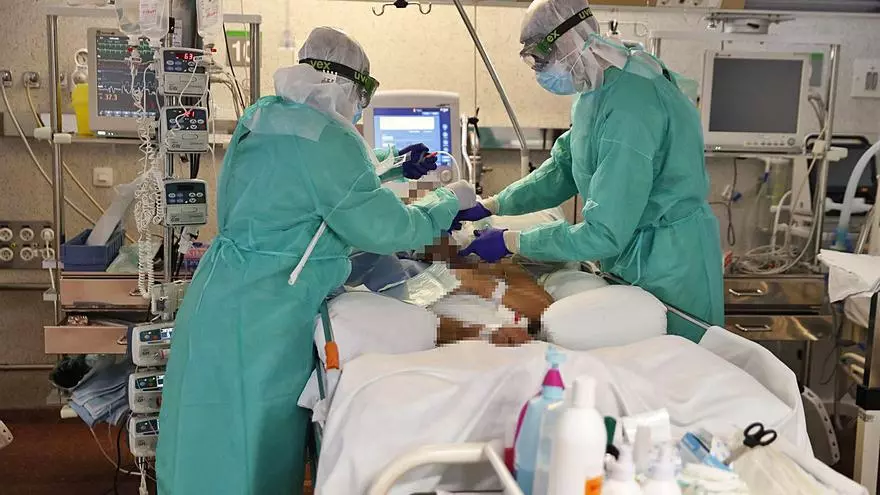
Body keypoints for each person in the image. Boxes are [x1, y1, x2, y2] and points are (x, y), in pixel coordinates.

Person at [156, 27, 475, 495]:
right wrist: (447, 202)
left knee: (201, 432)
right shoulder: (331, 141)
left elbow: (308, 177)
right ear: (345, 85)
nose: (360, 107)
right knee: (249, 448)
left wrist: (389, 162)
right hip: (267, 314)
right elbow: (387, 228)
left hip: (219, 296)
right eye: (362, 93)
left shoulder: (264, 116)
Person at [455, 0, 724, 343]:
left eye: (541, 57)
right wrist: (494, 204)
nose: (538, 71)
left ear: (569, 40)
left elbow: (604, 232)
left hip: (672, 265)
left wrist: (512, 241)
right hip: (631, 257)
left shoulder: (631, 107)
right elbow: (564, 168)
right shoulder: (596, 91)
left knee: (676, 363)